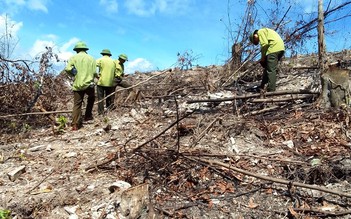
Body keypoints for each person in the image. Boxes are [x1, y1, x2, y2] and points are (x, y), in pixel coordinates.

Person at [64, 41, 96, 131]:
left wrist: (74, 74)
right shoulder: (92, 58)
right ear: (85, 50)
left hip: (78, 84)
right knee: (92, 97)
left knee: (77, 104)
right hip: (89, 84)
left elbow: (68, 68)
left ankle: (75, 125)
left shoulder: (73, 58)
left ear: (77, 50)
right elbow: (94, 72)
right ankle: (88, 115)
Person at [96, 49, 117, 115]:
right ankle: (109, 110)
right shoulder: (113, 61)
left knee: (100, 98)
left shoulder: (100, 60)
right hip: (110, 82)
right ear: (109, 55)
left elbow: (93, 67)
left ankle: (101, 112)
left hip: (101, 81)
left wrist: (97, 75)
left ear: (102, 54)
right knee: (108, 97)